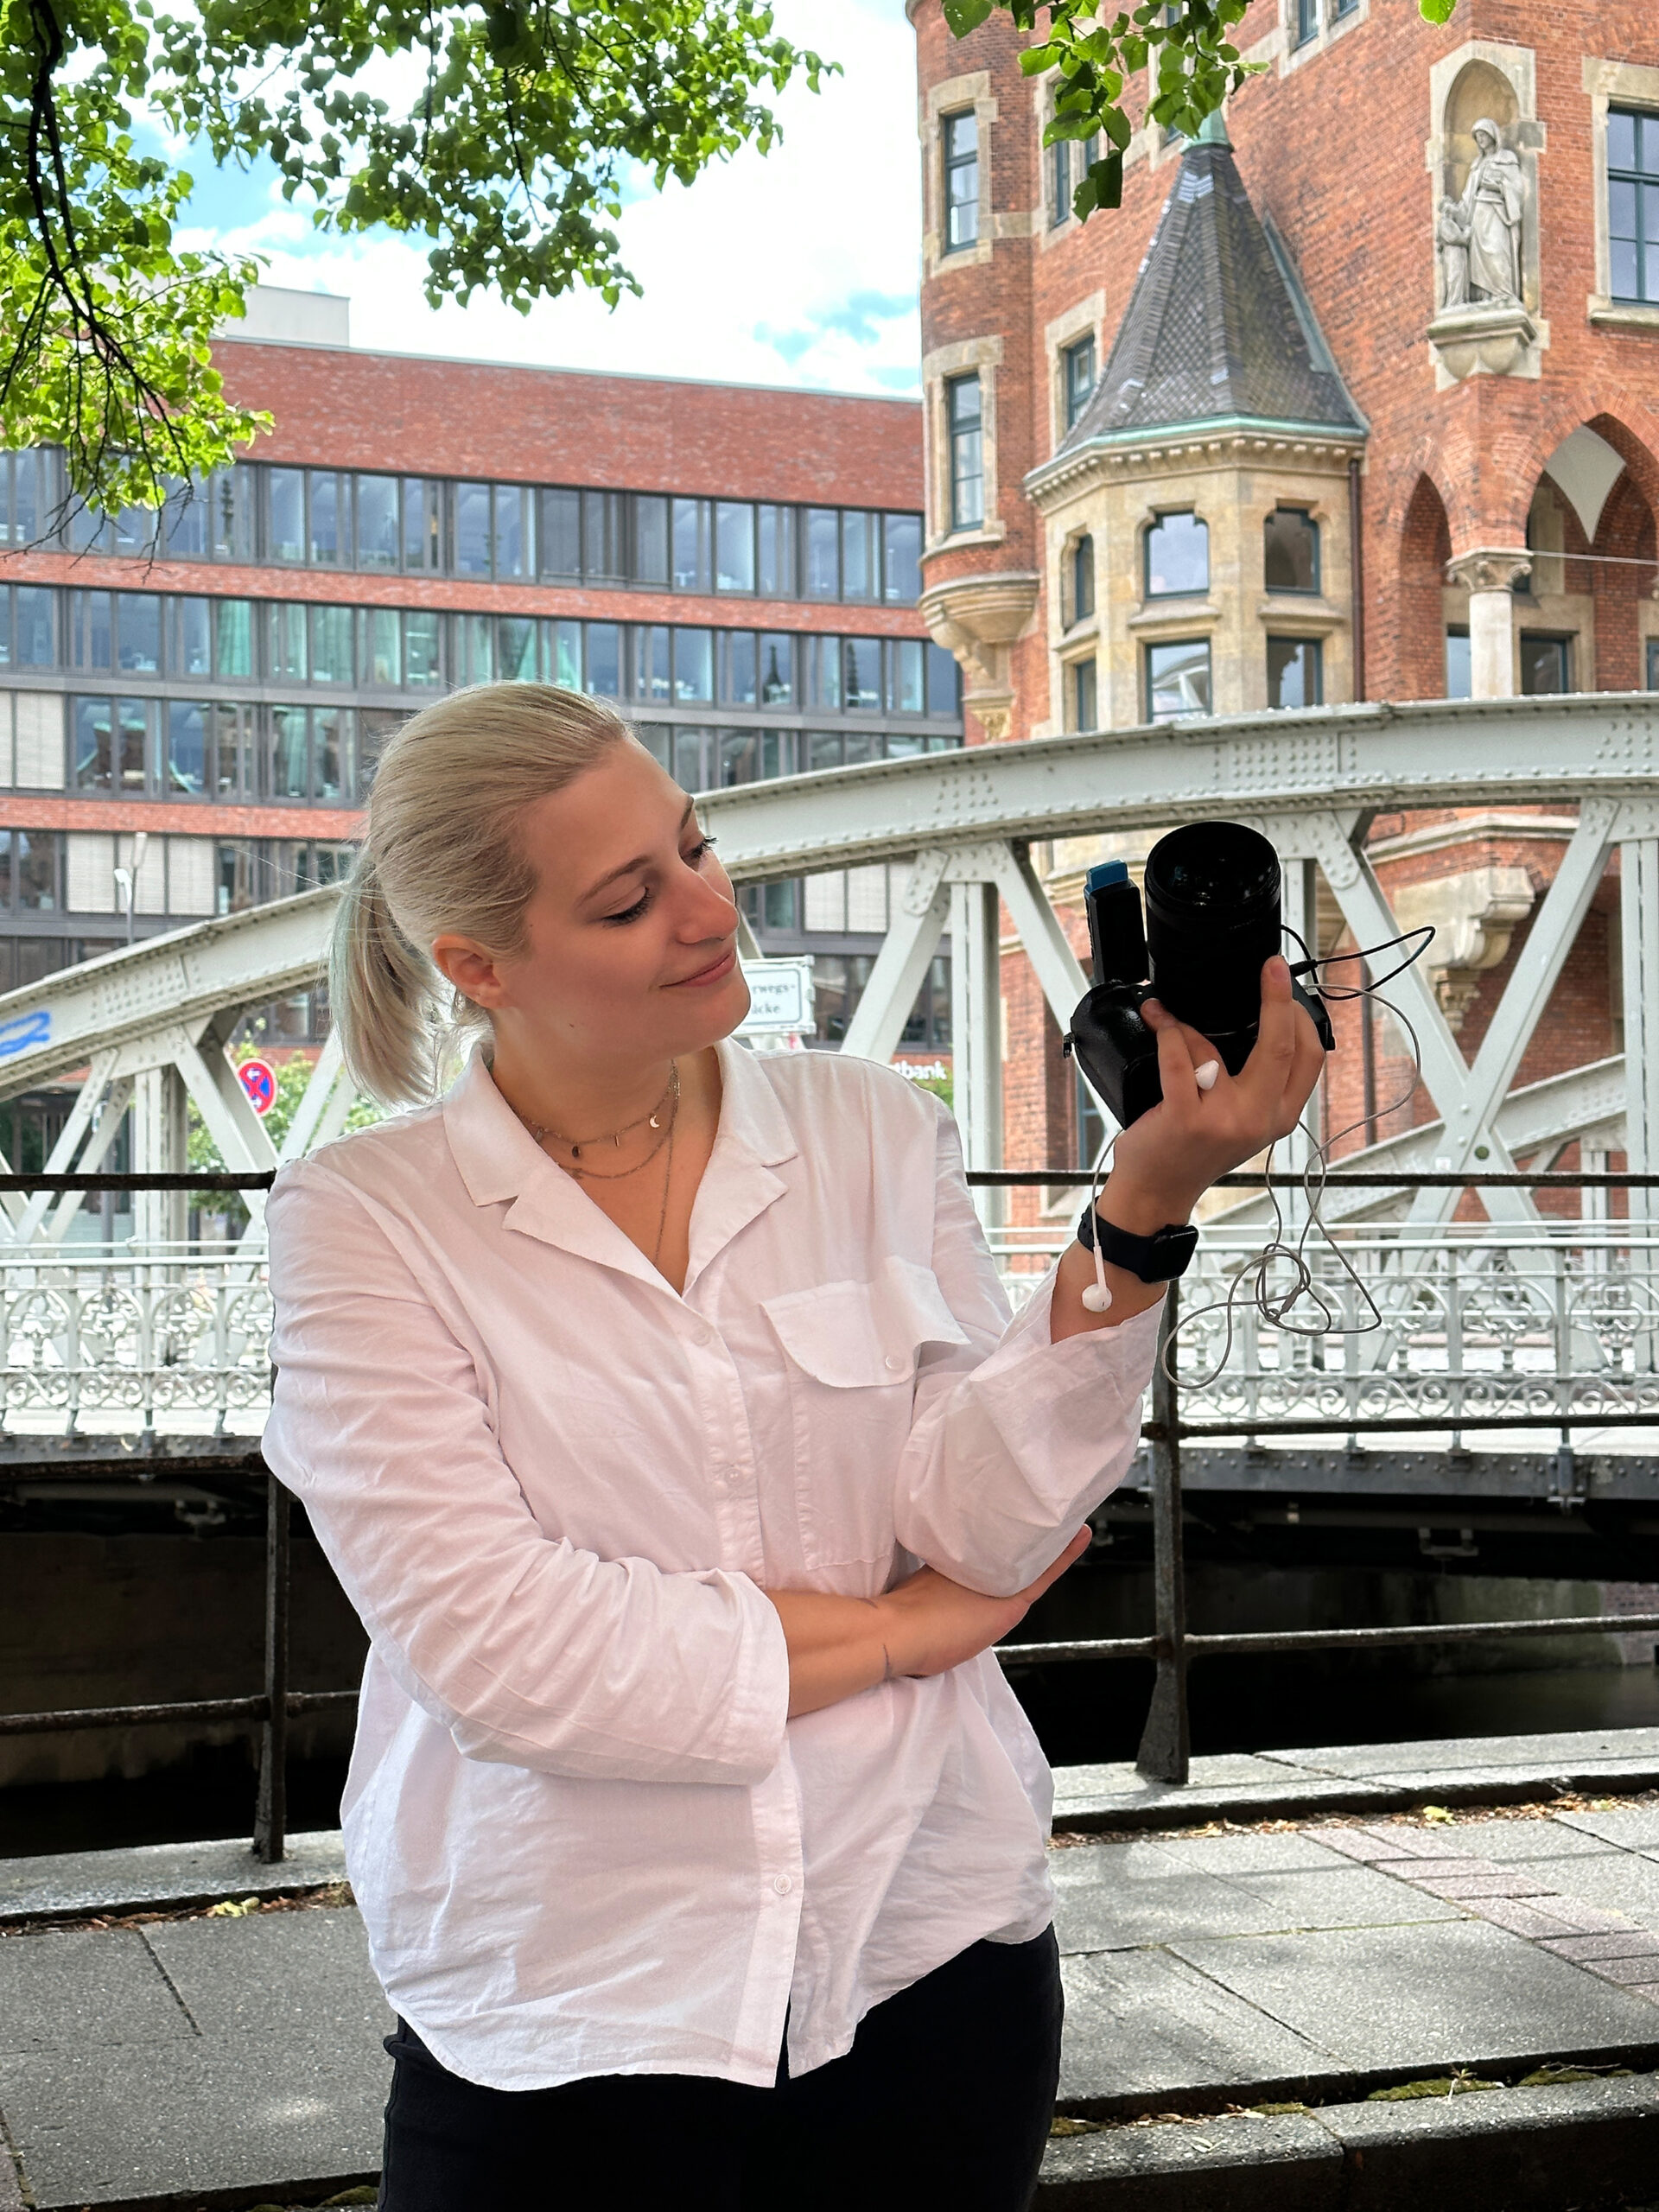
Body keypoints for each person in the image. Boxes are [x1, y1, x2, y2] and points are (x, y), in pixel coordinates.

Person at [263, 683, 1324, 2212]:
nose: (712, 910)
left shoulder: (868, 1129)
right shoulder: (367, 1223)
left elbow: (987, 1523)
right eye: (632, 901)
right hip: (571, 2000)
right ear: (479, 966)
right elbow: (506, 1658)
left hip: (925, 1947)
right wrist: (903, 1635)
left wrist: (1144, 1206)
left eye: (695, 848)